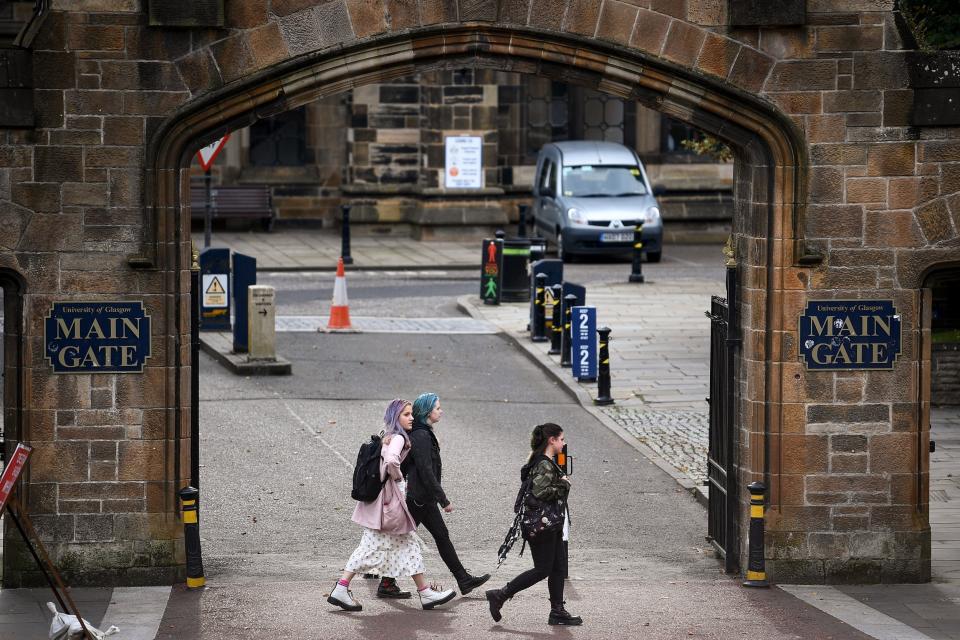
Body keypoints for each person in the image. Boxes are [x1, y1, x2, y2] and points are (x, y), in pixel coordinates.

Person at [328, 399, 456, 612]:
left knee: (406, 545)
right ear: (396, 417)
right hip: (389, 503)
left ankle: (425, 593)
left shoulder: (388, 436)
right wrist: (399, 481)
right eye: (406, 414)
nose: (412, 417)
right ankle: (342, 588)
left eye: (411, 414)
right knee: (372, 548)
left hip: (383, 503)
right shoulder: (397, 438)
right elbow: (391, 461)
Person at [485, 423, 582, 626]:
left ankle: (557, 611)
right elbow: (540, 492)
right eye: (561, 439)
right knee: (543, 569)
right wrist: (564, 483)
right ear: (552, 440)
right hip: (542, 526)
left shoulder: (543, 460)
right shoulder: (544, 464)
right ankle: (500, 594)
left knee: (557, 568)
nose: (563, 443)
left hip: (550, 524)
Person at [404, 392, 490, 596]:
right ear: (426, 412)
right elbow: (426, 470)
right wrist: (443, 500)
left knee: (439, 536)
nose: (441, 411)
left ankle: (464, 579)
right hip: (419, 499)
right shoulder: (421, 436)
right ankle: (384, 581)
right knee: (400, 539)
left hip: (423, 498)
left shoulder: (423, 433)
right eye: (437, 408)